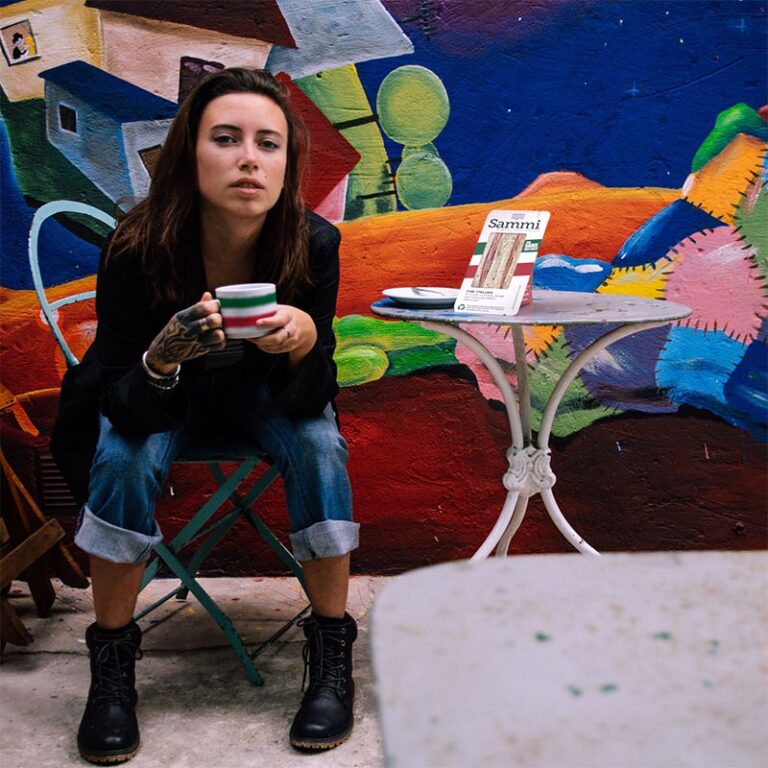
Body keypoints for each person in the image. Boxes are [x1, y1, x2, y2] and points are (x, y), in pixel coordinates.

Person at [50, 67, 359, 765]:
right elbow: (119, 399)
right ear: (192, 153)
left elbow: (312, 396)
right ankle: (112, 670)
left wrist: (305, 342)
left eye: (268, 144)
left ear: (287, 164)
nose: (249, 157)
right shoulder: (136, 246)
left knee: (321, 446)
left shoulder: (313, 245)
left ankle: (332, 649)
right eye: (226, 138)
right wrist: (162, 357)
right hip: (164, 395)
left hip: (263, 398)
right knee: (123, 456)